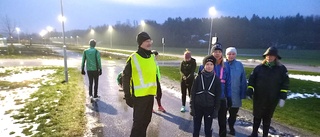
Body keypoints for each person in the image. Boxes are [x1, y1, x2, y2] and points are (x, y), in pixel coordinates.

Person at [122, 32, 159, 137]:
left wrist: (159, 90)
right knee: (138, 124)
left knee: (146, 121)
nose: (150, 43)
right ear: (141, 43)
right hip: (139, 97)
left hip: (150, 95)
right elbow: (125, 77)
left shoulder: (152, 56)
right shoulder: (133, 58)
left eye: (150, 41)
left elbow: (154, 75)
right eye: (147, 41)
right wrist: (127, 95)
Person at [247, 46, 289, 137]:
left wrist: (283, 96)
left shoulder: (281, 69)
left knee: (267, 118)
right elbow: (252, 80)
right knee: (257, 116)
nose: (269, 57)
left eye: (272, 56)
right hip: (259, 97)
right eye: (267, 56)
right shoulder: (259, 68)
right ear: (265, 57)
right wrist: (250, 89)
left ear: (276, 57)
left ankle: (265, 135)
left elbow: (285, 83)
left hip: (272, 98)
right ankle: (254, 133)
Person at [199, 43, 232, 137]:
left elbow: (228, 82)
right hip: (209, 99)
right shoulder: (203, 66)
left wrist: (229, 97)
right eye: (215, 51)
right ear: (212, 53)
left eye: (219, 52)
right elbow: (199, 84)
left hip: (221, 98)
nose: (217, 54)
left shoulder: (226, 66)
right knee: (208, 122)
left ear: (222, 53)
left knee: (222, 122)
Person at [190, 55, 221, 137]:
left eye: (211, 64)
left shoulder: (216, 79)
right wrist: (192, 107)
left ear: (214, 66)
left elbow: (218, 96)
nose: (209, 66)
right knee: (196, 128)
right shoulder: (198, 77)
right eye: (207, 64)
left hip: (209, 108)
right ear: (204, 65)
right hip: (198, 107)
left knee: (208, 129)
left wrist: (216, 110)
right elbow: (192, 93)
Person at [225, 47, 247, 136]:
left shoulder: (239, 65)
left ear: (235, 55)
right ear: (226, 55)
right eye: (229, 54)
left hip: (236, 94)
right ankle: (223, 128)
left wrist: (243, 93)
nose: (231, 56)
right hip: (224, 95)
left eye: (233, 54)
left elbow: (243, 80)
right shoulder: (222, 64)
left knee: (233, 114)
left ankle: (231, 127)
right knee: (222, 113)